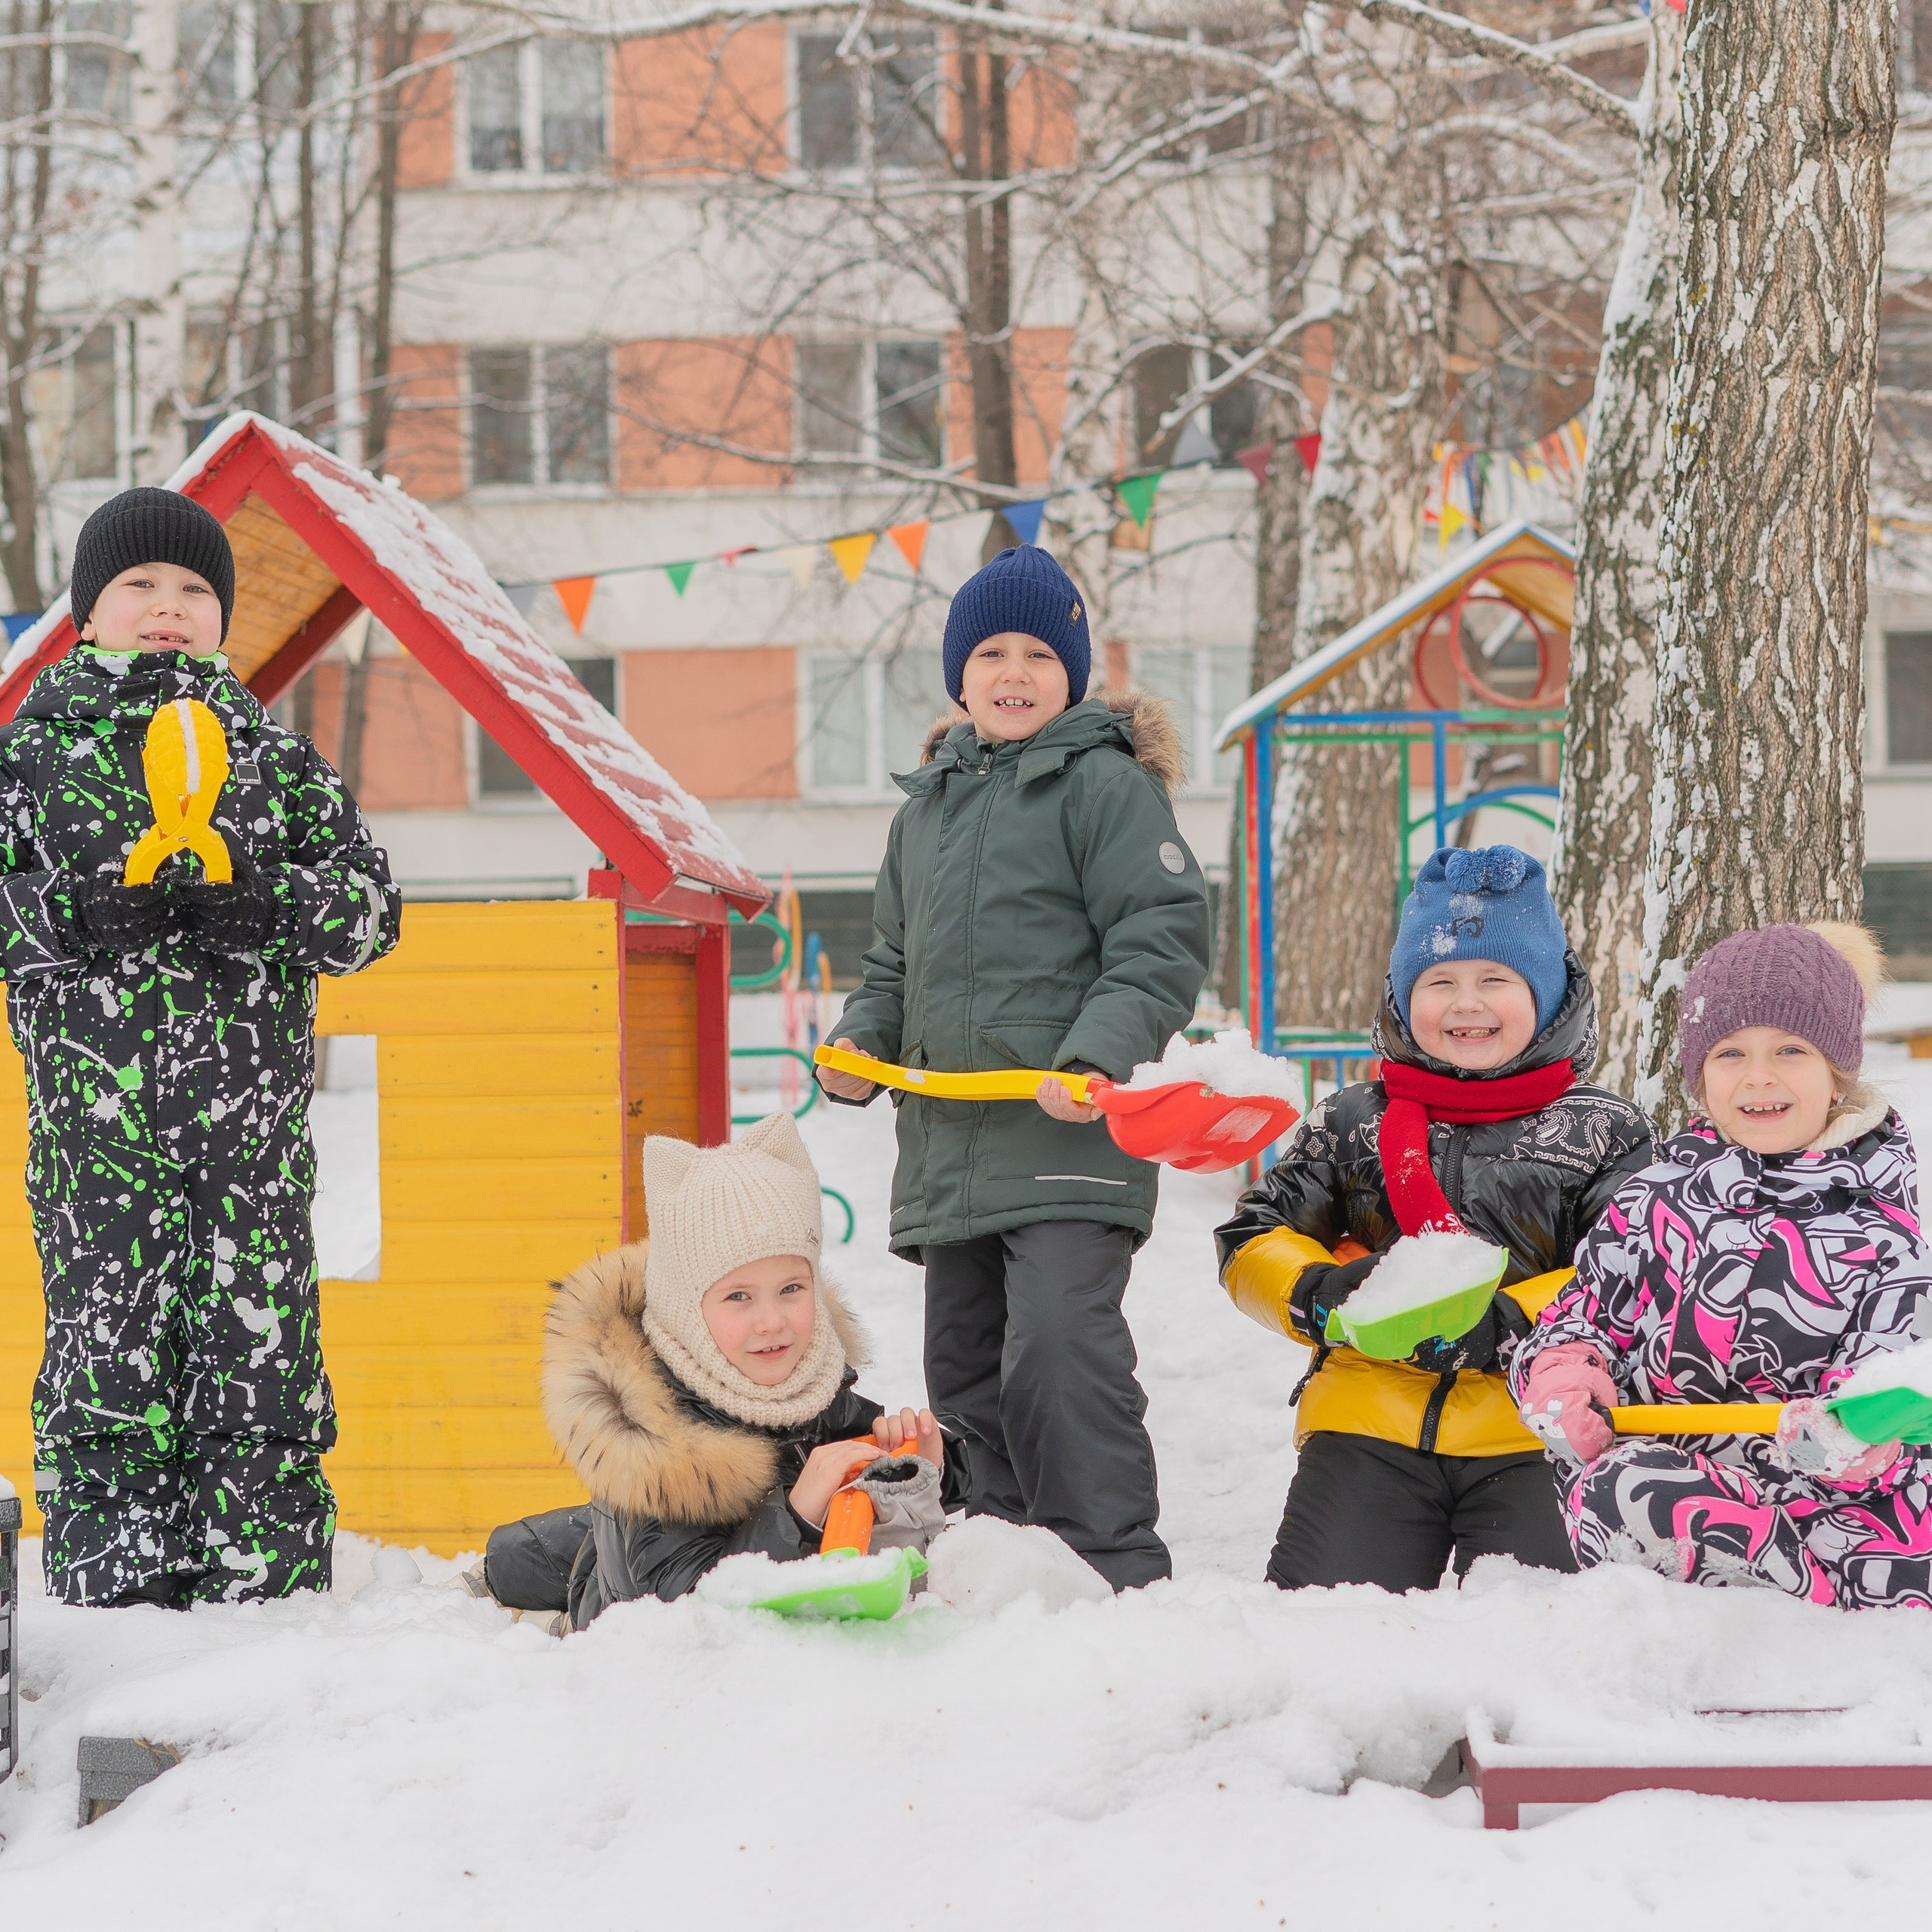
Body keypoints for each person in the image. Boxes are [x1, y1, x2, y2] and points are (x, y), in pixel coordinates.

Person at [0, 487, 401, 1606]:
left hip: (251, 1151)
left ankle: (263, 1590)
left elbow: (371, 910)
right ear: (87, 610)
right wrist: (73, 914)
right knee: (109, 1355)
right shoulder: (34, 760)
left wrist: (267, 904)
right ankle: (118, 1598)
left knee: (258, 1360)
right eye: (140, 586)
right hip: (98, 1151)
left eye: (193, 590)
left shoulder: (272, 764)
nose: (168, 608)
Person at [814, 545, 1210, 1591]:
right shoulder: (925, 814)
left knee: (1059, 1348)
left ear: (1074, 674)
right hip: (956, 1146)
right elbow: (895, 964)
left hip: (1068, 1137)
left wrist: (1093, 1057)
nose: (1014, 670)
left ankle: (1112, 1560)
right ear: (959, 676)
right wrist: (862, 1044)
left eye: (1040, 651)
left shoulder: (1103, 789)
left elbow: (1158, 938)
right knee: (967, 1362)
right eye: (991, 650)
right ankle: (1002, 1551)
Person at [1214, 844, 1656, 1592]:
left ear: (1547, 996)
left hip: (1537, 1427)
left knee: (1550, 1639)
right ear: (1399, 995)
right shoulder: (1355, 1118)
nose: (1465, 1002)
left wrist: (1509, 1322)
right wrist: (1321, 1292)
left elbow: (1630, 1270)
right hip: (1367, 1419)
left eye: (1495, 979)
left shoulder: (1604, 1129)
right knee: (1325, 1633)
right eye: (1439, 980)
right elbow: (1254, 1233)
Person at [1513, 922, 1932, 1607]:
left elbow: (1899, 1383)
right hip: (1670, 1505)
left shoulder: (1882, 1237)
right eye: (1730, 1052)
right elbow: (1581, 1317)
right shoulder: (1653, 1203)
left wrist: (1856, 1433)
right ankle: (1680, 1630)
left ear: (1837, 1074)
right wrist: (1565, 1373)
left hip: (1833, 1526)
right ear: (1698, 1075)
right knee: (1630, 1485)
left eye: (1791, 1050)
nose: (1758, 1076)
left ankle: (1804, 1630)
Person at [479, 1112, 958, 1629]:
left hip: (732, 1545)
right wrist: (795, 1512)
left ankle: (532, 1554)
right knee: (563, 1552)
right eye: (739, 1297)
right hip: (636, 1616)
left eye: (792, 1289)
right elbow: (685, 1600)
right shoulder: (654, 1438)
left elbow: (868, 1464)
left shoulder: (807, 1377)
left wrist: (929, 1464)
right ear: (687, 1308)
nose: (772, 1322)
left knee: (575, 1539)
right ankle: (519, 1588)